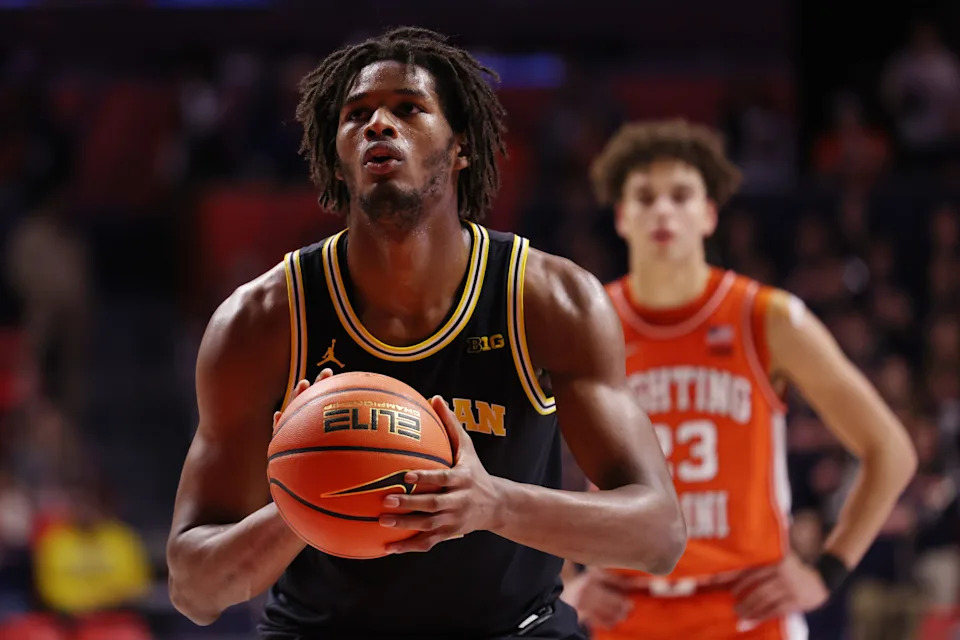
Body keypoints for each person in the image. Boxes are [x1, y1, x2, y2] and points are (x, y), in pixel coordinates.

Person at [165, 28, 685, 640]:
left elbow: (658, 535)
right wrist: (305, 500)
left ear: (461, 145)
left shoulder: (548, 300)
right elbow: (194, 589)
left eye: (408, 109)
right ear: (337, 155)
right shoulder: (263, 320)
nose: (378, 124)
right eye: (356, 115)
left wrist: (493, 504)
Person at [562, 119, 917, 639]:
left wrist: (826, 573)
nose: (663, 211)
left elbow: (891, 451)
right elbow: (520, 454)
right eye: (645, 197)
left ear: (709, 214)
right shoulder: (587, 324)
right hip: (625, 613)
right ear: (621, 216)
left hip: (748, 611)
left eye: (681, 195)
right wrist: (564, 579)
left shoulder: (767, 318)